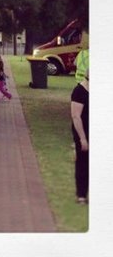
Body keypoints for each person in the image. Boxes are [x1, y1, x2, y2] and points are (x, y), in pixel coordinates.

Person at [70, 69, 89, 204]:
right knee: (83, 163)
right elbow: (76, 116)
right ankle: (81, 195)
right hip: (84, 133)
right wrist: (82, 138)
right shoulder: (79, 92)